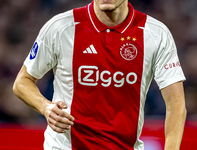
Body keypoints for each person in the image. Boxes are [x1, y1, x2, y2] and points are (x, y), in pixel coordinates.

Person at [13, 0, 187, 149]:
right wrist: (45, 107)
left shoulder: (156, 34)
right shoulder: (60, 27)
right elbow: (22, 82)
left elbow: (177, 106)